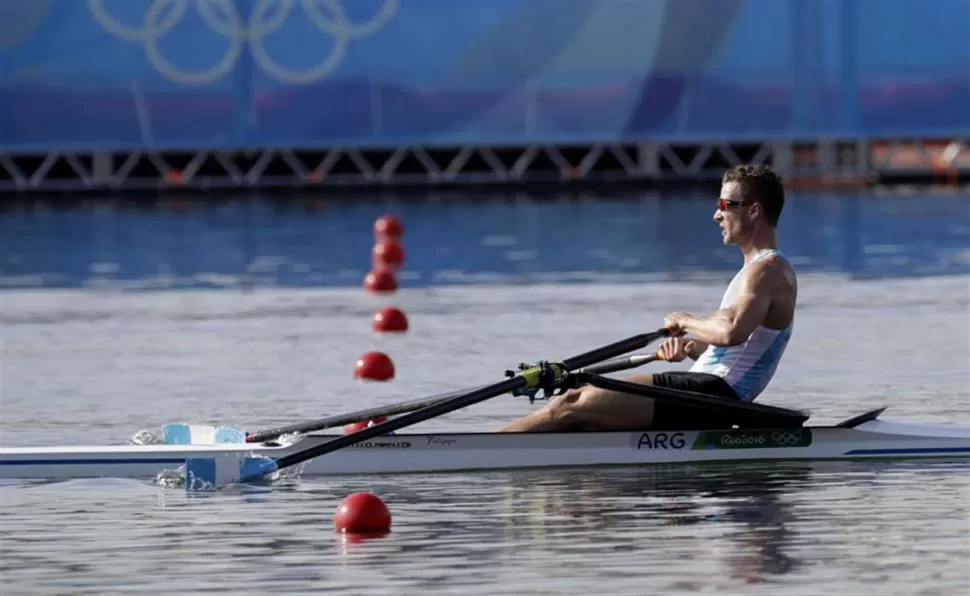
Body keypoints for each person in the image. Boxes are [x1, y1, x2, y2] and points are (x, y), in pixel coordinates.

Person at [497, 164, 798, 432]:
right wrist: (693, 347)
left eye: (725, 204)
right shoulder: (758, 271)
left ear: (754, 211)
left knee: (574, 400)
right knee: (581, 413)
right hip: (707, 390)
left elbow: (732, 331)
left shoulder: (767, 270)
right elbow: (742, 343)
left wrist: (686, 320)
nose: (716, 213)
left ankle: (482, 449)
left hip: (716, 394)